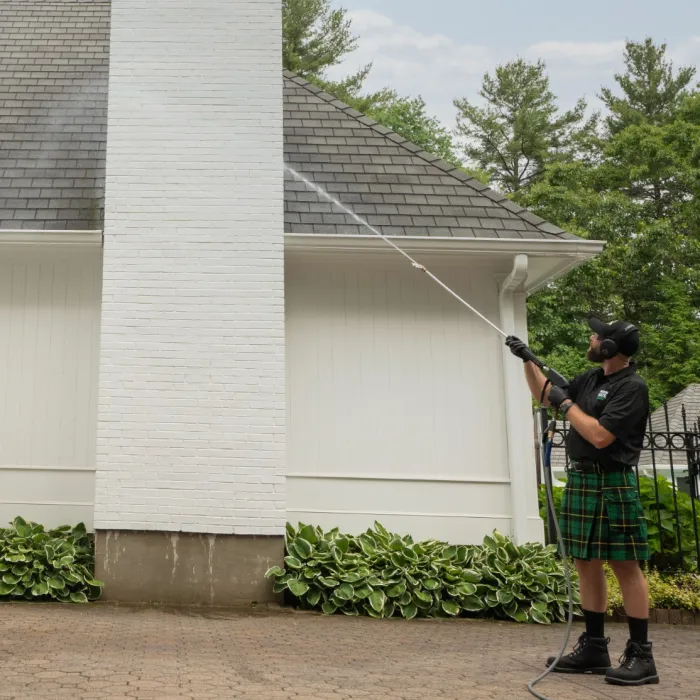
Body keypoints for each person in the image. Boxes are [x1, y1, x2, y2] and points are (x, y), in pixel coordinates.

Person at [506, 316, 659, 687]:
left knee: (625, 564)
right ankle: (594, 647)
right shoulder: (591, 379)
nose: (591, 338)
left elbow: (600, 434)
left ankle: (642, 655)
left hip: (613, 482)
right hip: (584, 479)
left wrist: (565, 406)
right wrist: (528, 360)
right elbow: (546, 394)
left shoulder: (632, 387)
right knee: (585, 561)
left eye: (597, 335)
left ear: (608, 348)